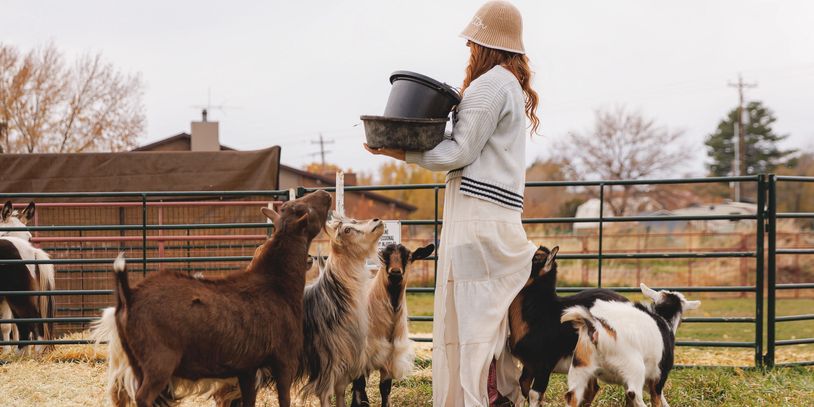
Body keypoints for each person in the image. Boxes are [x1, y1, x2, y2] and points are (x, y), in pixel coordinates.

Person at [365, 1, 539, 405]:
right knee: (488, 316)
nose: (469, 50)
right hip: (497, 215)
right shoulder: (509, 84)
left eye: (472, 42)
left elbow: (458, 152)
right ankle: (496, 393)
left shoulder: (490, 86)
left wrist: (399, 153)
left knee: (476, 318)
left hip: (477, 219)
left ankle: (484, 396)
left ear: (483, 42)